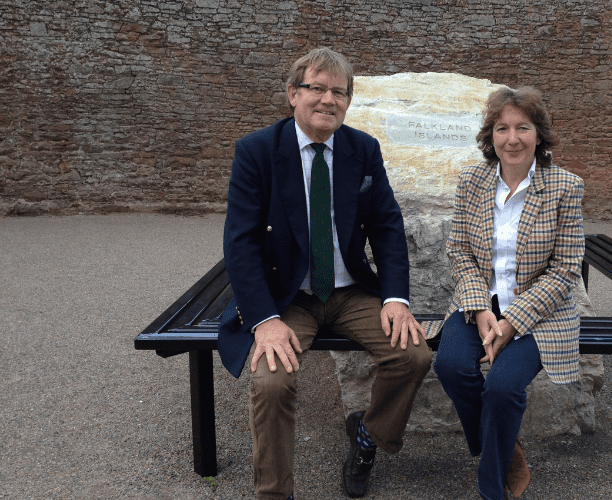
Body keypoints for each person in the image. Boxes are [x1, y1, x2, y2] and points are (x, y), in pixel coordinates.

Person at [217, 47, 432, 500]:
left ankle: (367, 440)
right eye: (317, 88)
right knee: (272, 381)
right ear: (293, 94)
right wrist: (264, 320)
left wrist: (396, 298)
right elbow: (240, 242)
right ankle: (275, 494)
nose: (328, 99)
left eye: (339, 91)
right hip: (287, 296)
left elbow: (389, 228)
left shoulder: (363, 149)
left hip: (350, 290)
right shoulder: (257, 151)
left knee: (412, 355)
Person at [431, 86, 585, 500]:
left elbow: (566, 268)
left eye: (523, 127)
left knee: (502, 387)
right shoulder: (472, 180)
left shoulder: (565, 187)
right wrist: (480, 307)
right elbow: (459, 249)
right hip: (480, 301)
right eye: (502, 128)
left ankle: (491, 487)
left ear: (539, 134)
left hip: (541, 312)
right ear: (490, 135)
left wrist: (513, 322)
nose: (512, 138)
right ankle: (506, 446)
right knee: (450, 366)